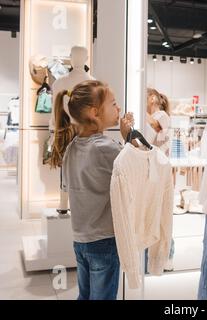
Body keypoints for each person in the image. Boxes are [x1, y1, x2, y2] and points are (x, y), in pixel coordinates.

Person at [51, 80, 134, 300]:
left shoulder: (71, 147)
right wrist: (128, 138)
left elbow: (68, 187)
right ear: (95, 112)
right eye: (114, 104)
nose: (118, 108)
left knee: (85, 295)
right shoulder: (104, 147)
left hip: (81, 239)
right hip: (104, 240)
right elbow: (133, 169)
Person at [145, 88, 174, 271]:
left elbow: (155, 127)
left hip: (160, 170)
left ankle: (167, 256)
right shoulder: (152, 116)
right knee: (154, 214)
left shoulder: (161, 115)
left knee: (163, 216)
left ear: (153, 98)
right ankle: (155, 257)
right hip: (153, 170)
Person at [146, 88, 171, 156]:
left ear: (152, 99)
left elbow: (155, 126)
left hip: (159, 162)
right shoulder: (154, 116)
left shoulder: (162, 115)